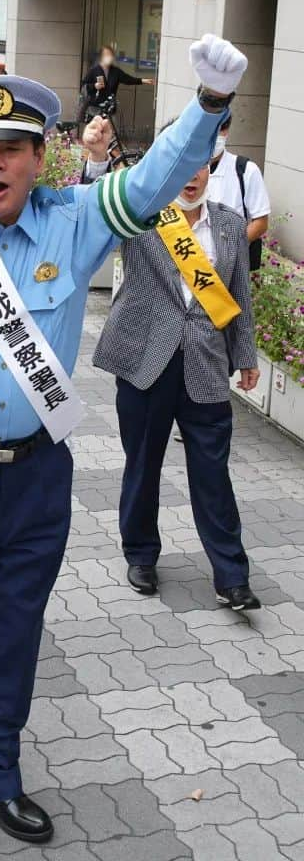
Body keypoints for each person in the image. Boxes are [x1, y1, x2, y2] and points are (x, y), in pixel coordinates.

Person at [0, 34, 247, 845]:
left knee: (20, 623)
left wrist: (206, 108)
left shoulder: (75, 222)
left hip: (37, 473)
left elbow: (150, 184)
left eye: (14, 150)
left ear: (42, 158)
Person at [94, 137, 260, 610]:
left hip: (206, 364)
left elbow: (240, 298)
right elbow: (91, 208)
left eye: (201, 166)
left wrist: (245, 355)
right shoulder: (141, 214)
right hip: (146, 361)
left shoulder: (228, 224)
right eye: (183, 164)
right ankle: (141, 554)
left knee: (213, 473)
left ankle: (232, 576)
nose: (192, 176)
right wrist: (95, 158)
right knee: (143, 465)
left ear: (211, 168)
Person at [206, 117, 270, 270]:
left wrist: (228, 251)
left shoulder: (246, 170)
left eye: (220, 129)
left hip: (232, 266)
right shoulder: (181, 171)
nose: (214, 136)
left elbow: (260, 222)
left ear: (226, 130)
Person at [77, 44, 154, 122]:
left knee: (110, 130)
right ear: (101, 56)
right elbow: (83, 85)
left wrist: (142, 80)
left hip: (109, 108)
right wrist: (94, 86)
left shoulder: (115, 71)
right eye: (106, 54)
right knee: (96, 131)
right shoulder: (94, 70)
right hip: (94, 109)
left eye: (110, 55)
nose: (109, 57)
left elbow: (128, 79)